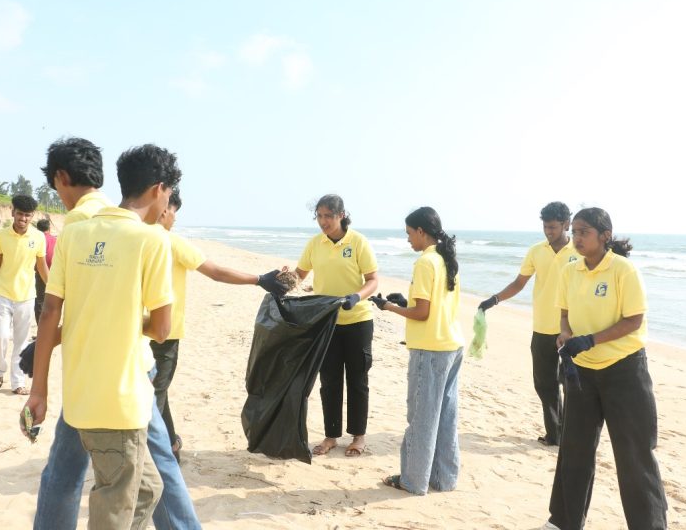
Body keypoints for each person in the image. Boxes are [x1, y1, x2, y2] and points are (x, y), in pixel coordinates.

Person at [32, 138, 201, 530]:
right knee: (115, 503)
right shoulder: (152, 239)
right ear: (160, 189)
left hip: (79, 392)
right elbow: (161, 329)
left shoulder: (74, 233)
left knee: (146, 489)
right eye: (170, 194)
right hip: (121, 400)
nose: (168, 205)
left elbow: (49, 312)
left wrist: (38, 390)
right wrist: (126, 320)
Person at [544, 207, 667, 530]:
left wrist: (591, 340)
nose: (578, 238)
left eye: (584, 232)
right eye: (577, 231)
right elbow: (564, 313)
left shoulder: (623, 271)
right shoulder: (570, 271)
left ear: (605, 236)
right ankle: (563, 522)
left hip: (624, 372)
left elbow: (634, 320)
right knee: (574, 451)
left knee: (634, 455)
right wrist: (566, 334)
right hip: (581, 373)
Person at [154, 189, 288, 459]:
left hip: (138, 331)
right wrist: (260, 279)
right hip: (165, 333)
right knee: (155, 394)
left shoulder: (135, 240)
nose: (175, 220)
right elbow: (216, 272)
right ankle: (163, 455)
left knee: (156, 389)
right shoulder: (171, 242)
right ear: (164, 208)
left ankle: (170, 445)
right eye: (174, 212)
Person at [370, 206, 464, 495]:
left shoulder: (425, 263)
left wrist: (389, 307)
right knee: (446, 417)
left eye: (410, 233)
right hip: (451, 344)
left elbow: (422, 313)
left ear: (422, 232)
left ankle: (413, 479)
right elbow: (433, 304)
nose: (408, 239)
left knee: (422, 417)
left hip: (430, 348)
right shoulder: (447, 259)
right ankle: (444, 478)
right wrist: (404, 302)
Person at [478, 202, 577, 446]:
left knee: (572, 386)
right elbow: (519, 282)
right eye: (545, 226)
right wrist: (495, 299)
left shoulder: (580, 250)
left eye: (553, 227)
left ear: (566, 224)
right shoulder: (536, 250)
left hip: (573, 330)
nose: (548, 231)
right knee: (544, 385)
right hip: (542, 327)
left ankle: (572, 435)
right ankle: (555, 434)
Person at [293, 194, 378, 457]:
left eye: (328, 216)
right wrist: (282, 279)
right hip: (326, 322)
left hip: (358, 321)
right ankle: (331, 436)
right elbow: (299, 274)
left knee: (357, 380)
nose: (323, 222)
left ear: (341, 215)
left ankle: (359, 437)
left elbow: (373, 280)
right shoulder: (315, 244)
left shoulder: (358, 242)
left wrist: (356, 297)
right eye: (319, 216)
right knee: (329, 380)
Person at [0, 195, 48, 394]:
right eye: (20, 214)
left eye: (27, 215)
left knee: (21, 342)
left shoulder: (38, 237)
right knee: (0, 337)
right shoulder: (1, 236)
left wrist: (54, 291)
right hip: (3, 295)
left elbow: (42, 267)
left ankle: (18, 382)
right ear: (12, 212)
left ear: (32, 217)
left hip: (27, 296)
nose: (23, 219)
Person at [33, 219, 56, 323]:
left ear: (37, 229)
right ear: (49, 228)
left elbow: (36, 257)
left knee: (40, 301)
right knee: (53, 301)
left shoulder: (38, 239)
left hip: (41, 271)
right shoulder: (55, 239)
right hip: (55, 272)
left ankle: (41, 331)